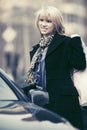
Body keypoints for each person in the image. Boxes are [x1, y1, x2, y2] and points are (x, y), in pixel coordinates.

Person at [24, 6, 86, 130]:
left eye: (49, 21)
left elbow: (80, 64)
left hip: (64, 102)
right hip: (43, 102)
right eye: (41, 20)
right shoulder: (36, 50)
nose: (44, 24)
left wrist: (76, 40)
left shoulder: (65, 43)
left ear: (56, 24)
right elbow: (39, 79)